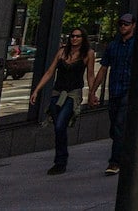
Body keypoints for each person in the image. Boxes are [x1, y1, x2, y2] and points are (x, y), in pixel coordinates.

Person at [32, 28, 95, 174]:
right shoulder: (62, 52)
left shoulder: (88, 54)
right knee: (57, 126)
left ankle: (61, 161)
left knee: (60, 125)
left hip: (73, 93)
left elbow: (90, 75)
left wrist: (92, 93)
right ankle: (60, 158)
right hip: (57, 92)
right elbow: (50, 72)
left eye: (77, 36)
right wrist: (37, 90)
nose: (74, 39)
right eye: (72, 36)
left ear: (83, 38)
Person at [90, 13, 136, 176]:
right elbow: (103, 69)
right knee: (115, 128)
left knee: (119, 125)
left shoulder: (137, 45)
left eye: (126, 24)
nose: (123, 26)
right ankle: (125, 151)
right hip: (115, 90)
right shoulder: (113, 46)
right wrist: (93, 91)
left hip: (129, 91)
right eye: (121, 24)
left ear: (133, 26)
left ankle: (114, 162)